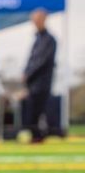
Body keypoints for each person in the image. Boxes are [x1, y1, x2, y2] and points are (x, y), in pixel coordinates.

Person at [22, 8, 57, 142]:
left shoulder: (49, 40)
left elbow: (41, 61)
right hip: (32, 82)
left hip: (42, 82)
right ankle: (34, 134)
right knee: (31, 109)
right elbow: (31, 59)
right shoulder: (37, 39)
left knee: (39, 109)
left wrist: (28, 74)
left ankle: (39, 135)